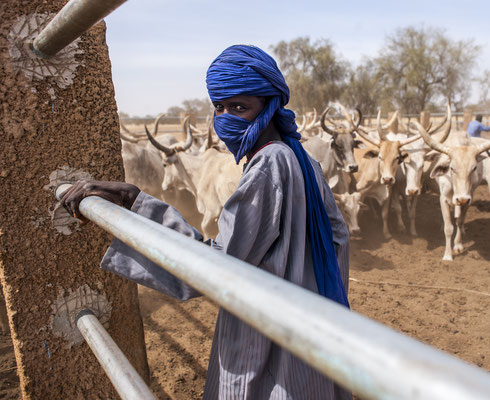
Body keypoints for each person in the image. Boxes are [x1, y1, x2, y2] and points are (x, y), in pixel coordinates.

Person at [60, 45, 351, 400]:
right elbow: (338, 241)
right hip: (315, 332)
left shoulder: (269, 165)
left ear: (270, 105)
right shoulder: (303, 160)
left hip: (272, 340)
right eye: (219, 107)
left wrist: (133, 201)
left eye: (240, 107)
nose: (226, 118)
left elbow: (216, 266)